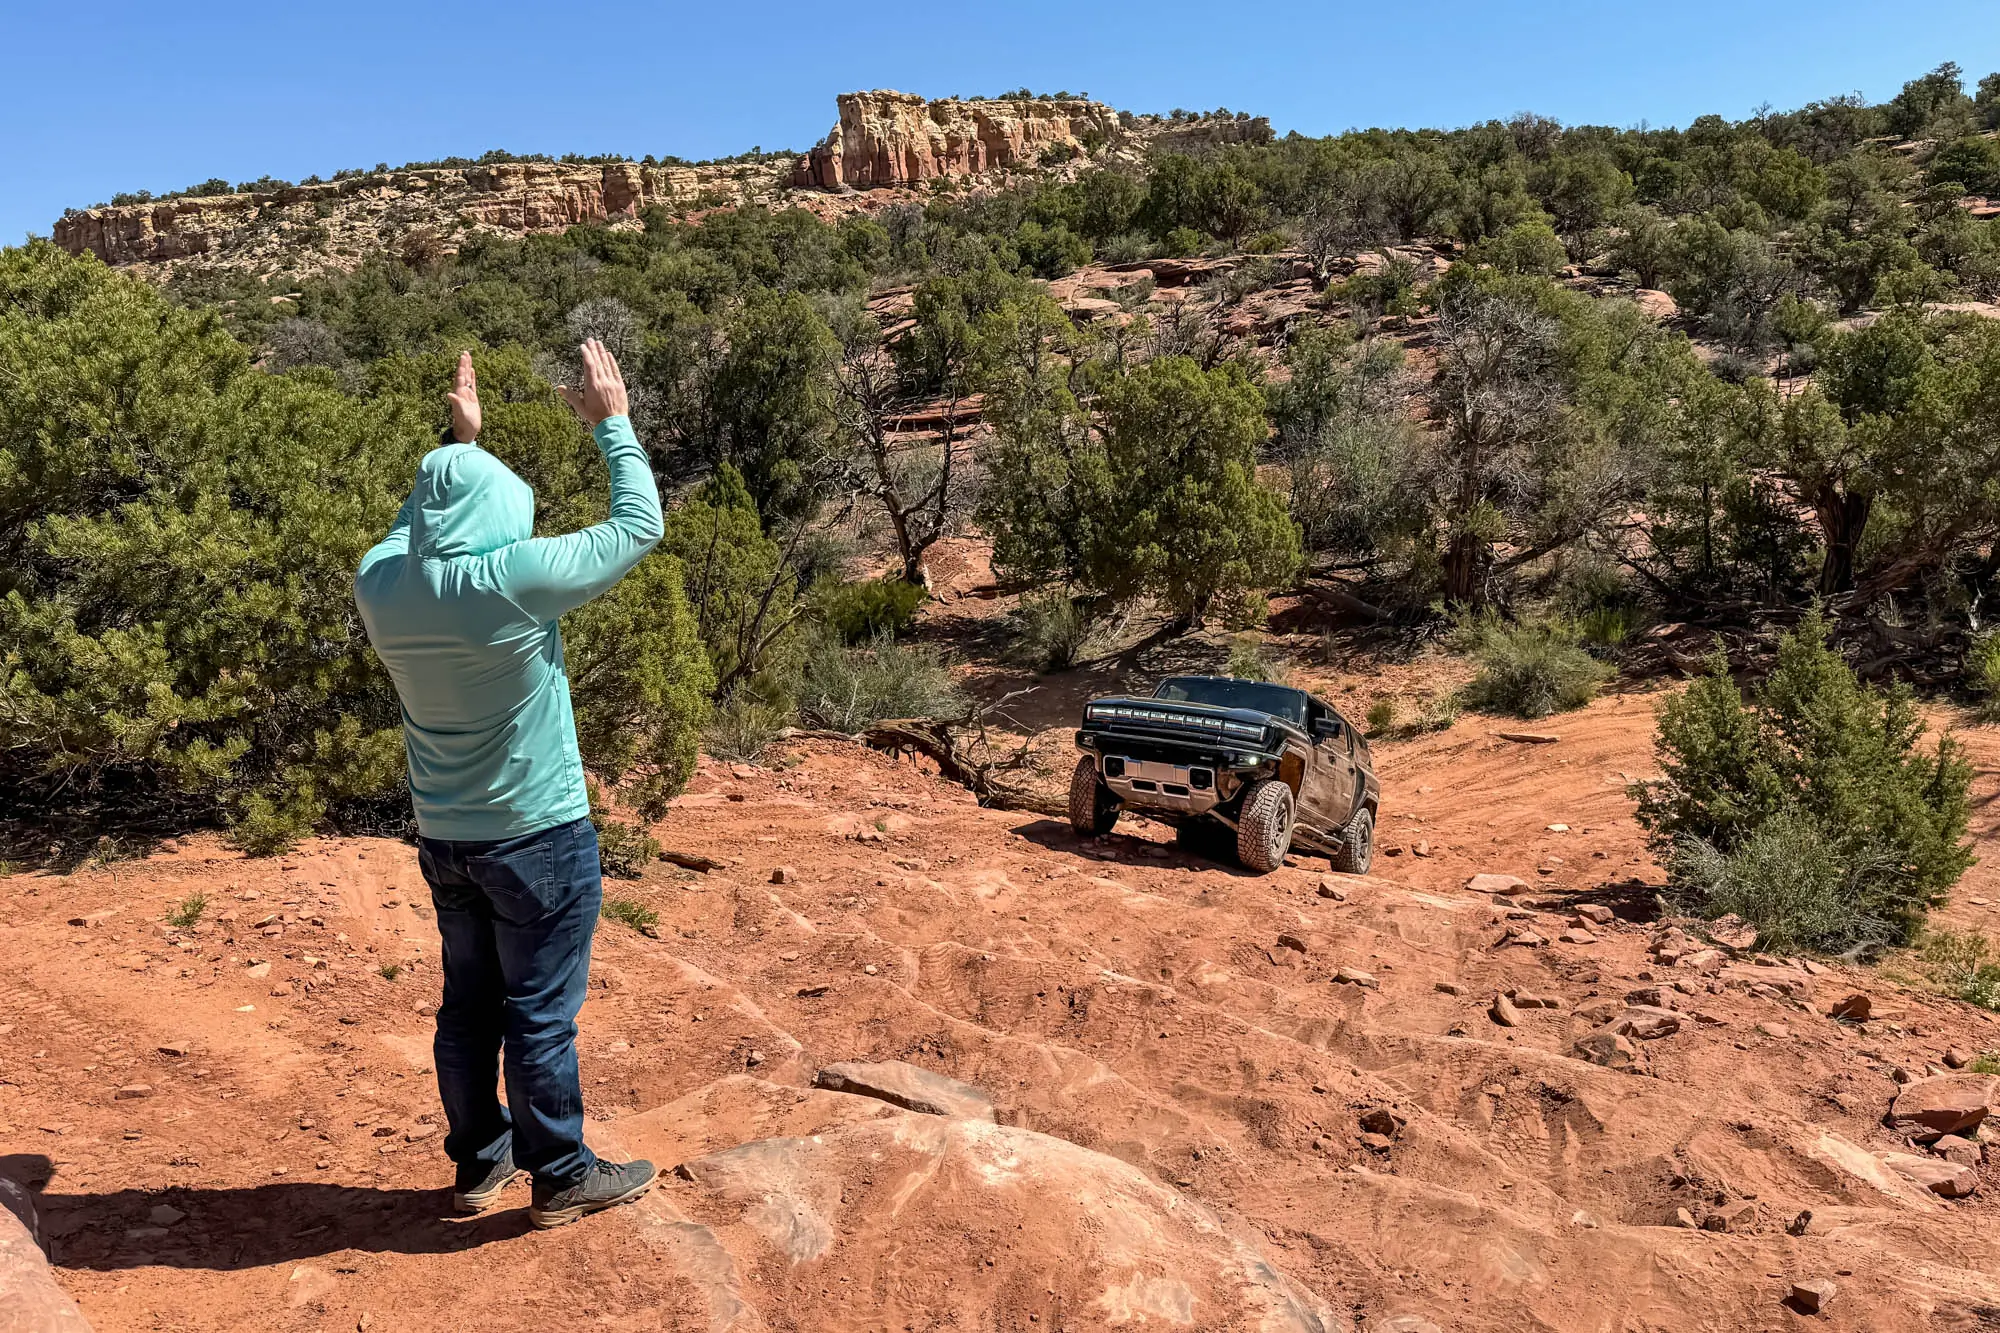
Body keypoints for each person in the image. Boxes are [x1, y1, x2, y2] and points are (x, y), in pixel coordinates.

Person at [354, 341, 663, 1228]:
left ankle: (477, 1167)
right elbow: (639, 527)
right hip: (538, 834)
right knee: (538, 1009)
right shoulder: (512, 582)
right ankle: (560, 1173)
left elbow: (408, 528)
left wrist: (453, 452)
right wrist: (614, 424)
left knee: (469, 1004)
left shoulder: (383, 589)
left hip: (445, 838)